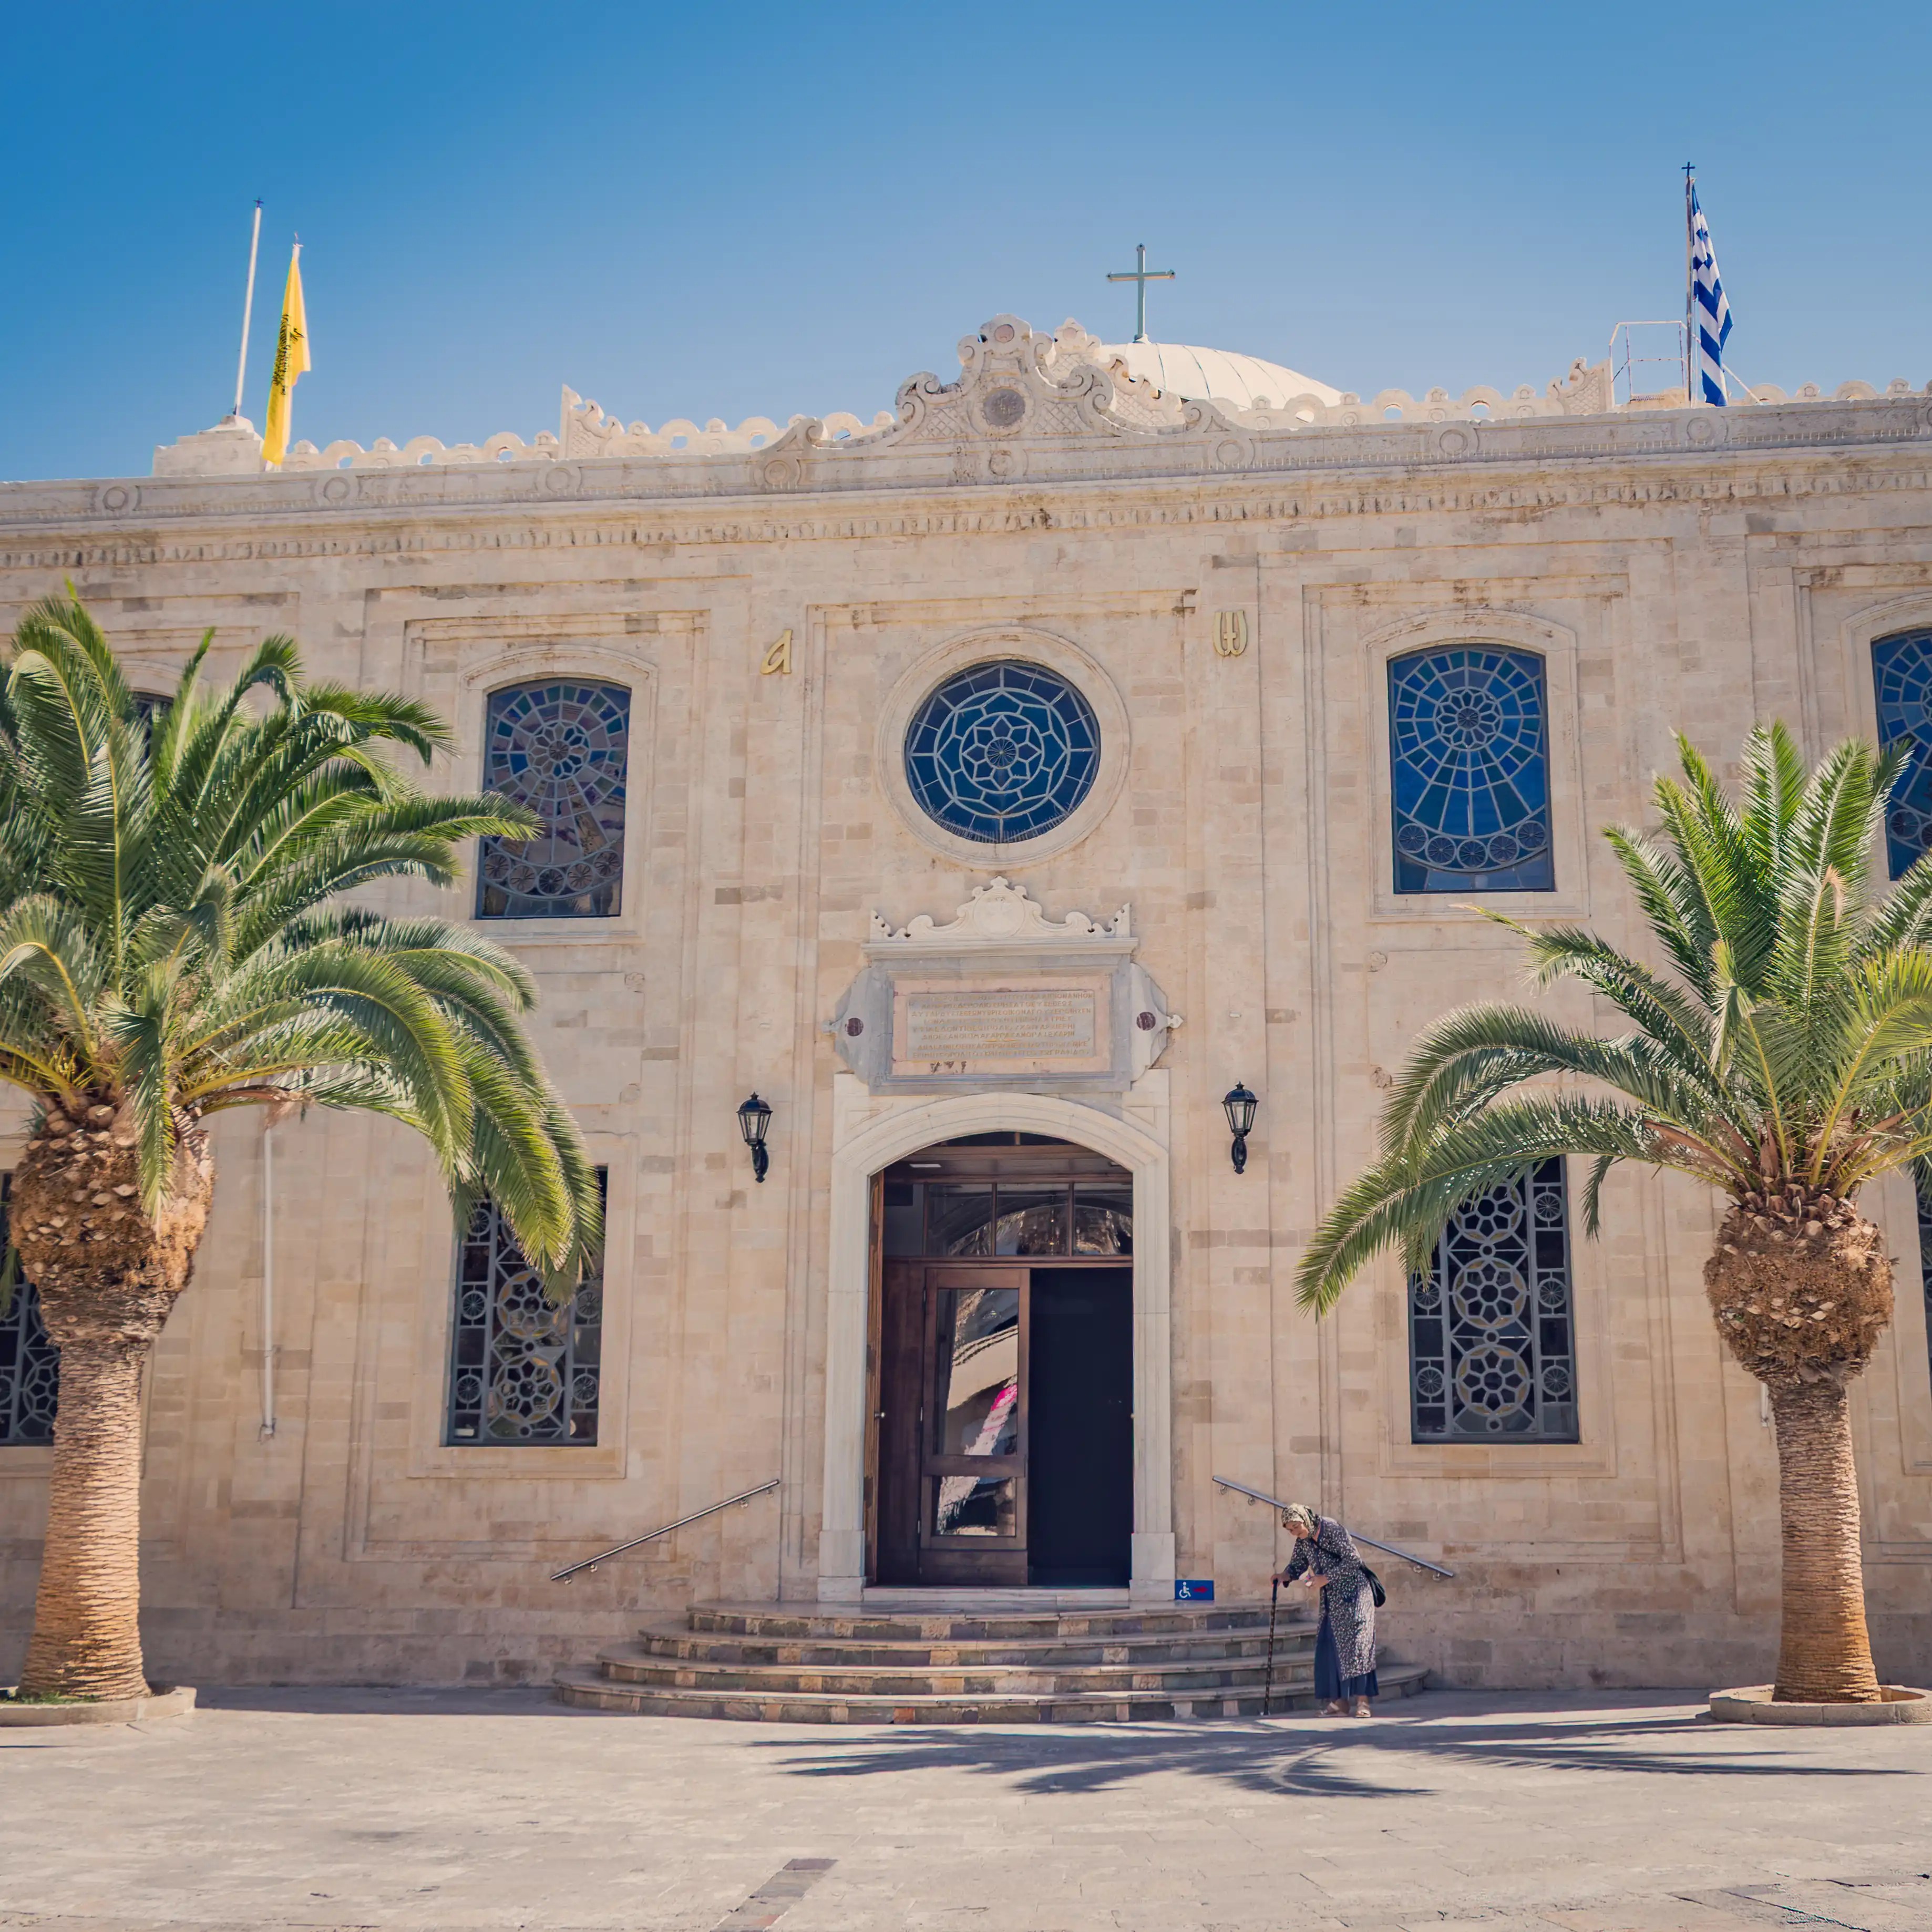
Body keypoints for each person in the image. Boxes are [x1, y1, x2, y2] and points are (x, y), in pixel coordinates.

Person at [1275, 1502, 1379, 1718]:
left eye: (1296, 1526)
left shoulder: (1331, 1528)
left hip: (1356, 1594)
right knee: (1330, 1645)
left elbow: (1353, 1560)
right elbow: (1297, 1565)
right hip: (1332, 1597)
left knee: (1358, 1644)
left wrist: (1326, 1578)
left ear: (1306, 1518)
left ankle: (1363, 1702)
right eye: (1290, 1529)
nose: (1295, 1532)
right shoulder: (1303, 1540)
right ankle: (1339, 1703)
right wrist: (1285, 1575)